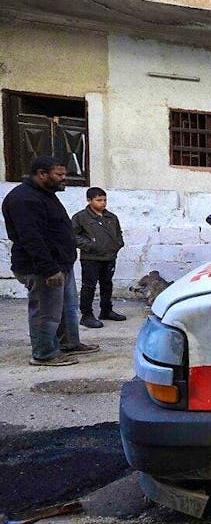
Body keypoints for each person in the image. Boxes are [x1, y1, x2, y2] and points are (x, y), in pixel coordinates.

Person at [1, 155, 99, 366]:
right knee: (46, 312)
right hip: (43, 268)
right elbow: (31, 238)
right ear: (42, 174)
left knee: (67, 308)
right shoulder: (24, 199)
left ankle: (68, 344)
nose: (64, 179)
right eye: (59, 175)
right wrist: (48, 269)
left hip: (61, 264)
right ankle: (44, 354)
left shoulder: (44, 194)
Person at [72, 187, 126, 328]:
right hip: (91, 258)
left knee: (107, 284)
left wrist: (117, 244)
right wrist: (90, 245)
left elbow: (118, 233)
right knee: (89, 286)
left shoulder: (111, 217)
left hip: (109, 257)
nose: (103, 203)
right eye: (99, 200)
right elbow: (72, 236)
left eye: (104, 200)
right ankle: (86, 315)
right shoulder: (81, 217)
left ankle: (106, 310)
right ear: (89, 200)